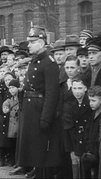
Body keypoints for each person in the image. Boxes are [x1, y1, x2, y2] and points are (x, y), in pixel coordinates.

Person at [17, 26, 64, 179]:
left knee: (42, 152)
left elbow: (52, 93)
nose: (28, 45)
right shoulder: (34, 60)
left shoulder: (48, 62)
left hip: (40, 110)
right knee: (33, 151)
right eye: (28, 42)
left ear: (42, 42)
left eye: (32, 41)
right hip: (31, 109)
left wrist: (46, 118)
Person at [81, 85, 101, 179]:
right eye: (90, 100)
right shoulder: (92, 114)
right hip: (90, 154)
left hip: (100, 155)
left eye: (94, 101)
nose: (91, 103)